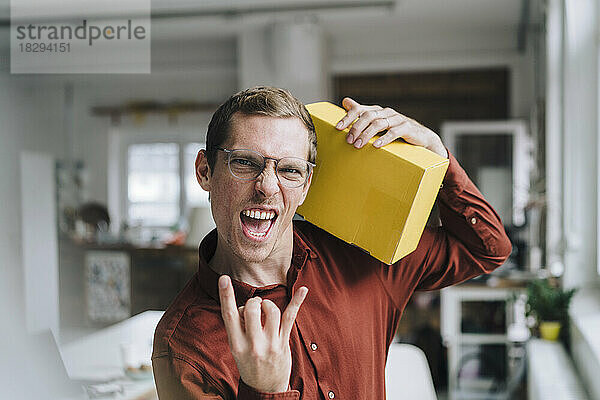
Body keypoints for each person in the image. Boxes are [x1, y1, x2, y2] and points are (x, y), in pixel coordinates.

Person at [152, 86, 512, 399]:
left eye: (289, 170)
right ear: (205, 172)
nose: (267, 186)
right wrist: (266, 391)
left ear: (306, 185)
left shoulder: (365, 258)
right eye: (245, 163)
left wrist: (436, 154)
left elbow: (487, 248)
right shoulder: (182, 345)